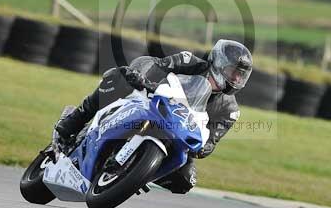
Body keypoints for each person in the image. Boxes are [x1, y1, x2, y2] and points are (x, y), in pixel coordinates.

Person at [52, 39, 253, 194]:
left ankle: (137, 174)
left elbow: (211, 143)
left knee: (186, 180)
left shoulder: (230, 110)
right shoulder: (189, 62)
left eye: (240, 75)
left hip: (178, 133)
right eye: (233, 71)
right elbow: (158, 65)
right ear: (218, 62)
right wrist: (141, 78)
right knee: (119, 79)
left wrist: (201, 147)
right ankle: (71, 123)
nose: (235, 78)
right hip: (152, 101)